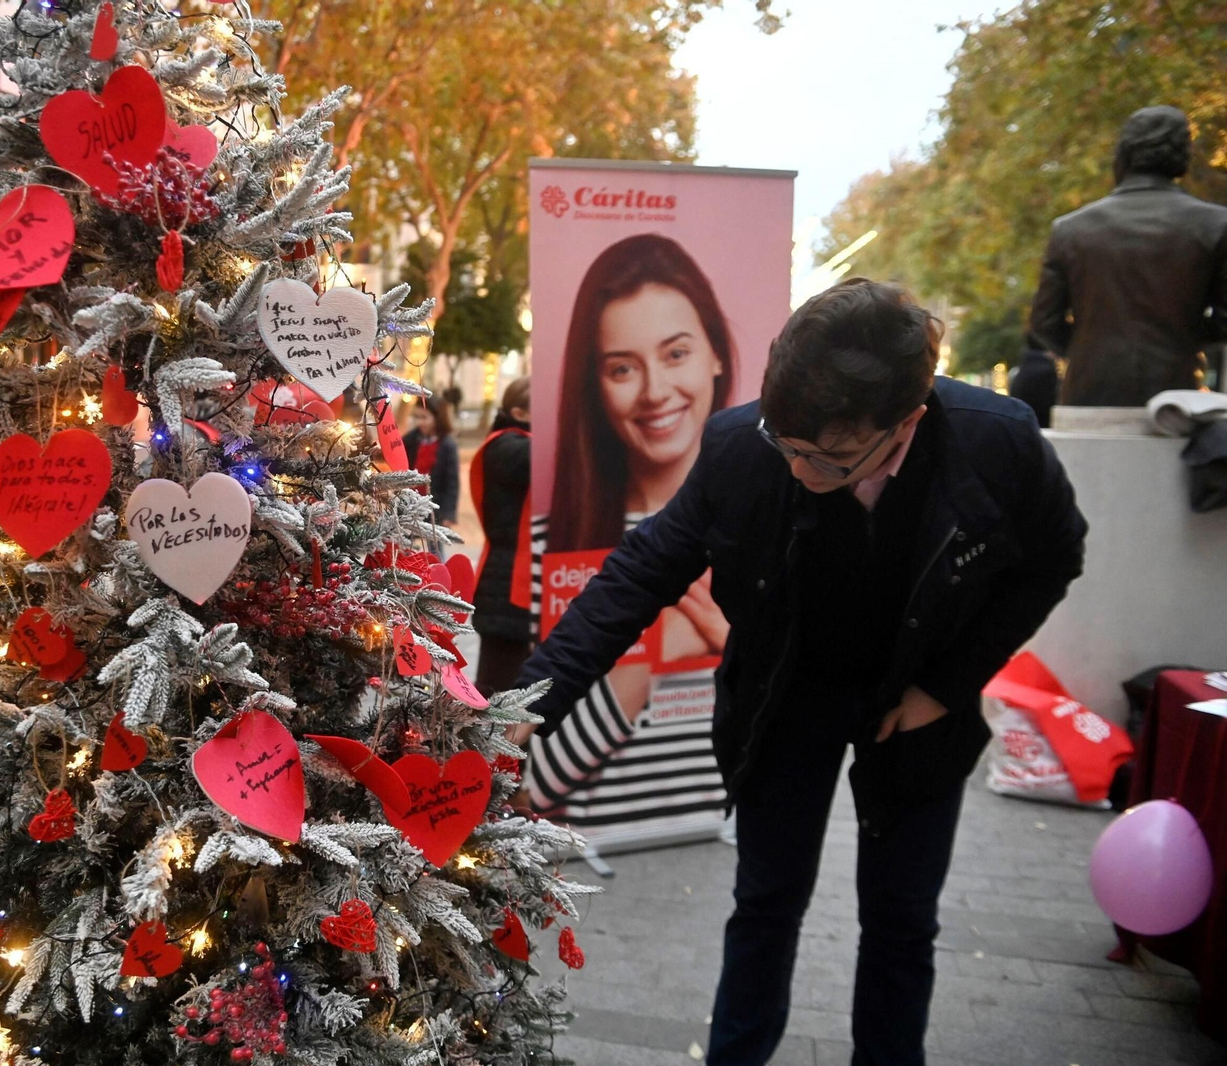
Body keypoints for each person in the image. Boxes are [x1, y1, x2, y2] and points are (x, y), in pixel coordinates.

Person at [510, 279, 1088, 1066]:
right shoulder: (743, 446)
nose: (797, 469)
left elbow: (1055, 558)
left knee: (901, 920)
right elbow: (641, 573)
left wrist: (944, 688)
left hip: (917, 703)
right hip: (784, 699)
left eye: (828, 459)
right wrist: (528, 705)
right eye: (785, 443)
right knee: (765, 903)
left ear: (906, 423)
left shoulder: (998, 442)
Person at [525, 233, 734, 832]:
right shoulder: (551, 539)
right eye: (622, 367)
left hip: (724, 843)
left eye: (676, 353)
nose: (655, 392)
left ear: (716, 354)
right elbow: (529, 781)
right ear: (595, 384)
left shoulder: (762, 527)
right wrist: (661, 647)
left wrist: (739, 646)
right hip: (589, 858)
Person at [1030, 105, 1227, 406]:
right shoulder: (1215, 225)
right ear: (1183, 158)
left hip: (1089, 392)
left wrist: (1089, 350)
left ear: (1122, 155)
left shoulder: (1070, 229)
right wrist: (1181, 338)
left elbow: (1044, 321)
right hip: (1176, 396)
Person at [469, 376, 532, 694]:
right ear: (519, 413)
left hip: (510, 586)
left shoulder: (512, 445)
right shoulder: (507, 447)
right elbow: (549, 454)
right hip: (506, 589)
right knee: (497, 692)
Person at [402, 395, 460, 527]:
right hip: (411, 506)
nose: (419, 422)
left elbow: (452, 483)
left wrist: (449, 514)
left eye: (424, 417)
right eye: (416, 417)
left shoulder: (447, 445)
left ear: (437, 418)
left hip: (435, 507)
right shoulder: (410, 440)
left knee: (433, 539)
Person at [1008, 341, 1058, 429]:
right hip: (1041, 422)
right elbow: (1048, 400)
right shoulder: (1046, 371)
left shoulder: (1024, 368)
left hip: (1024, 420)